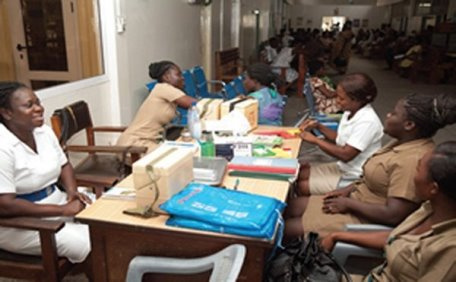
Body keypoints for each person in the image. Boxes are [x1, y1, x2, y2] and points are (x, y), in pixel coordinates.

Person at [285, 93, 456, 240]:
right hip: (354, 201)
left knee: (280, 229)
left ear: (409, 125)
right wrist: (347, 190)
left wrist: (349, 204)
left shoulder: (412, 160)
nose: (388, 115)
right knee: (286, 206)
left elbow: (393, 214)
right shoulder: (402, 144)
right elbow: (374, 177)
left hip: (361, 218)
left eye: (394, 114)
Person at [321, 141, 456, 281]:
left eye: (418, 169)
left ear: (433, 188)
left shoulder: (450, 252)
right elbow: (395, 237)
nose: (412, 176)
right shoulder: (429, 208)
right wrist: (337, 236)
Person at [0, 82, 91, 265]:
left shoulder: (43, 131)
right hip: (19, 223)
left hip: (56, 199)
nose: (39, 108)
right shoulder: (3, 147)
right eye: (29, 105)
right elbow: (5, 206)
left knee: (109, 219)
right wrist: (62, 210)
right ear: (7, 113)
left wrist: (72, 192)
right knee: (88, 241)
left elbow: (64, 165)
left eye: (38, 102)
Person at [297, 73, 383, 196]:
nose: (337, 101)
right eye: (337, 96)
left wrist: (316, 140)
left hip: (355, 176)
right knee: (299, 174)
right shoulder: (350, 112)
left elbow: (346, 154)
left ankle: (311, 208)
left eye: (342, 99)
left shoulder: (367, 121)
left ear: (357, 100)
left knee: (302, 185)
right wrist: (319, 126)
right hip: (343, 167)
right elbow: (339, 138)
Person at [116, 61, 196, 153]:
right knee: (180, 155)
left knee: (183, 150)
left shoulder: (166, 91)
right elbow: (194, 104)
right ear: (166, 77)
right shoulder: (164, 88)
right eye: (178, 75)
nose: (182, 78)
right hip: (134, 145)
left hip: (147, 142)